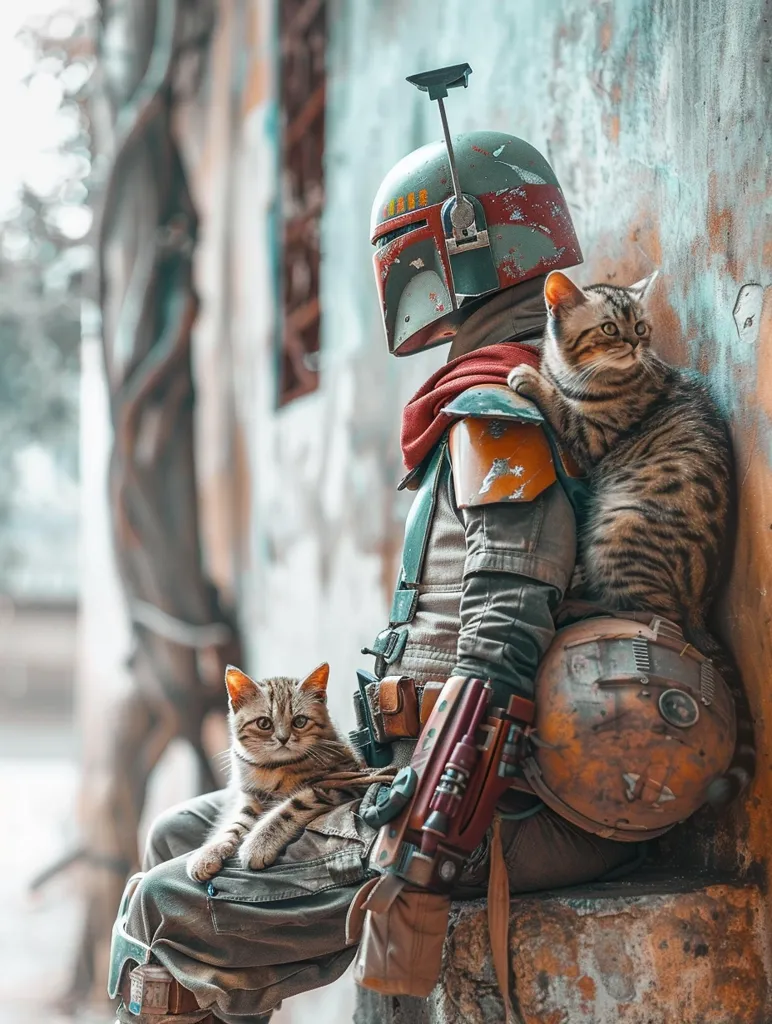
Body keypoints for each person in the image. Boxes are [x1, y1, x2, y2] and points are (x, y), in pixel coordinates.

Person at [108, 90, 641, 1024]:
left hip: (501, 802)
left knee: (165, 907)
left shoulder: (498, 416)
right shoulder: (496, 398)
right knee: (179, 834)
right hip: (442, 773)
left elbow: (501, 643)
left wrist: (423, 841)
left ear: (452, 256)